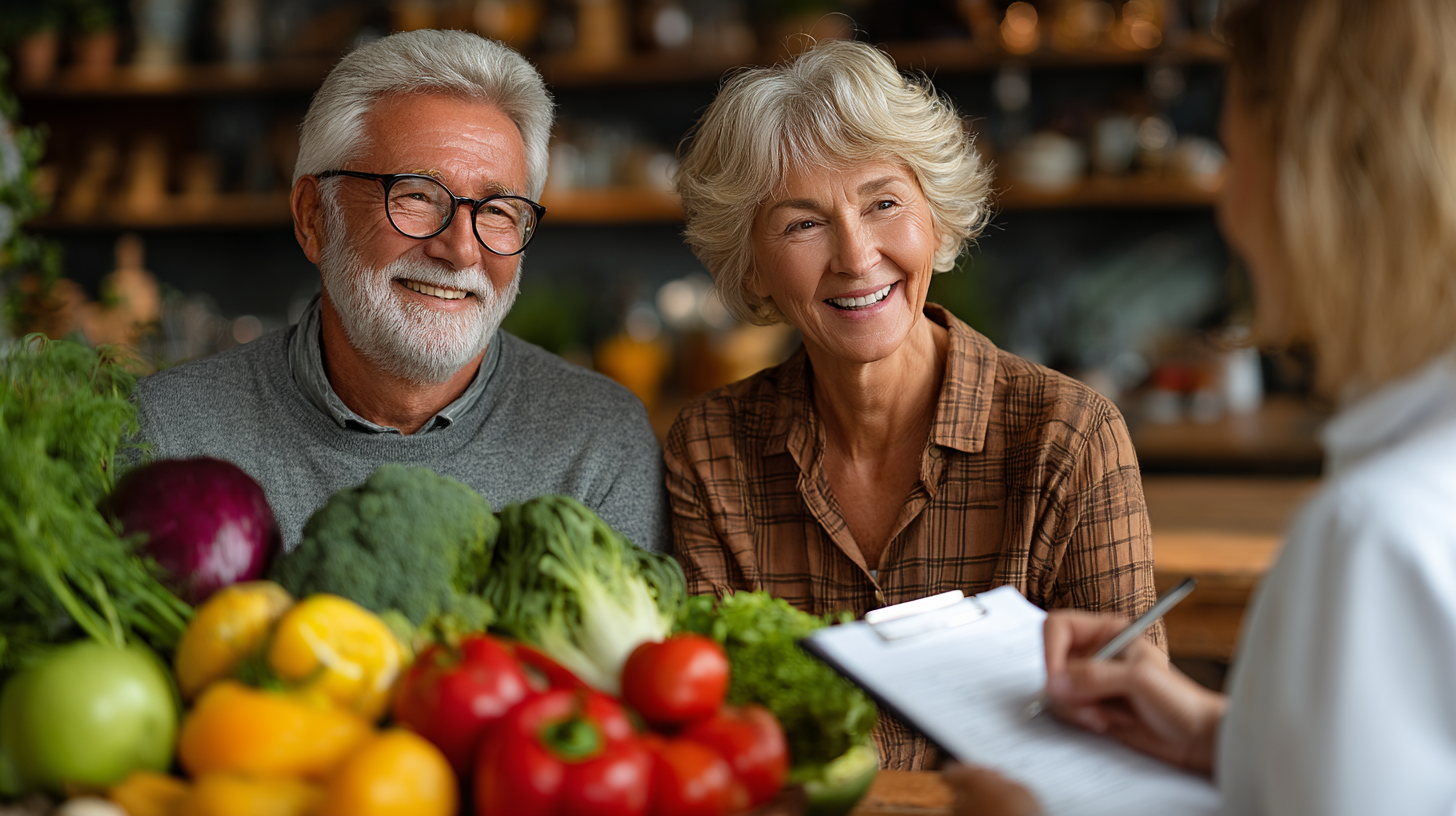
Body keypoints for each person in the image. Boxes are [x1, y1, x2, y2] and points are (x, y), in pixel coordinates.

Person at [948, 0, 1456, 813]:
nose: (1226, 206)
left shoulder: (1375, 534)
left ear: (1313, 180)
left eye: (1233, 158)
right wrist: (1221, 739)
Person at [667, 39, 1161, 770]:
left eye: (884, 204)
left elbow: (1133, 734)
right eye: (803, 223)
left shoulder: (1069, 437)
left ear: (936, 218)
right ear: (754, 266)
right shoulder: (709, 451)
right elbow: (713, 739)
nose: (857, 256)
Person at [132, 30, 666, 552]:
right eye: (415, 195)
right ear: (313, 217)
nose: (460, 249)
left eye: (499, 210)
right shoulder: (167, 435)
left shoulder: (598, 443)